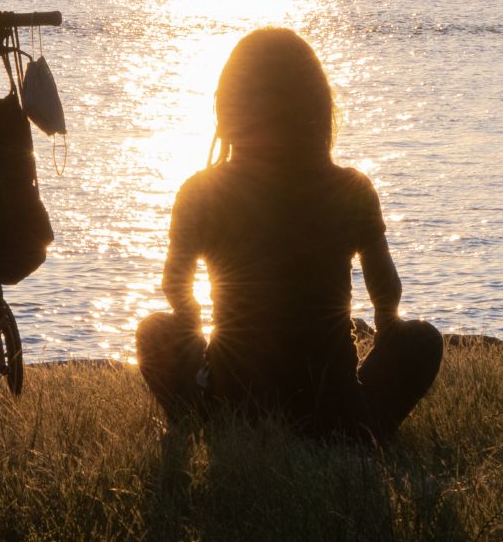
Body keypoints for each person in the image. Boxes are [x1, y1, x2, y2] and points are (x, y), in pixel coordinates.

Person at [135, 26, 443, 443]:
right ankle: (364, 434)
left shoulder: (200, 192)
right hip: (335, 413)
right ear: (316, 106)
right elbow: (385, 291)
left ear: (229, 106)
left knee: (154, 331)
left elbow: (175, 283)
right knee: (421, 340)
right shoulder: (352, 188)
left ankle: (202, 422)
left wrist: (197, 340)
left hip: (235, 405)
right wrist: (385, 330)